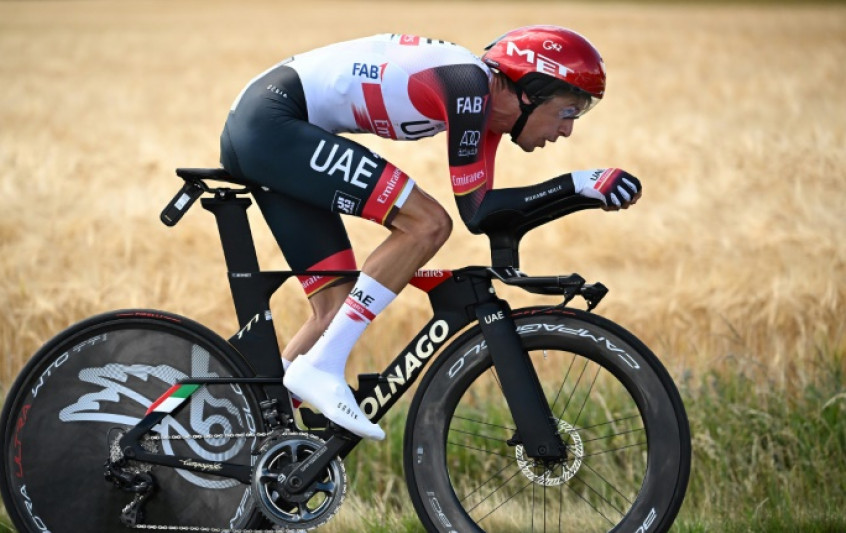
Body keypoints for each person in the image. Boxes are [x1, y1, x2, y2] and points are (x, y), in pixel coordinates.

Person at [219, 26, 642, 441]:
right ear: (530, 90)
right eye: (569, 112)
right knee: (427, 223)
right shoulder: (466, 84)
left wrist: (580, 193)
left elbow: (482, 214)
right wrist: (575, 183)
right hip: (271, 123)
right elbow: (466, 213)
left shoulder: (487, 111)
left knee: (336, 308)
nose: (568, 130)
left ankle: (240, 428)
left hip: (271, 130)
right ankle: (321, 366)